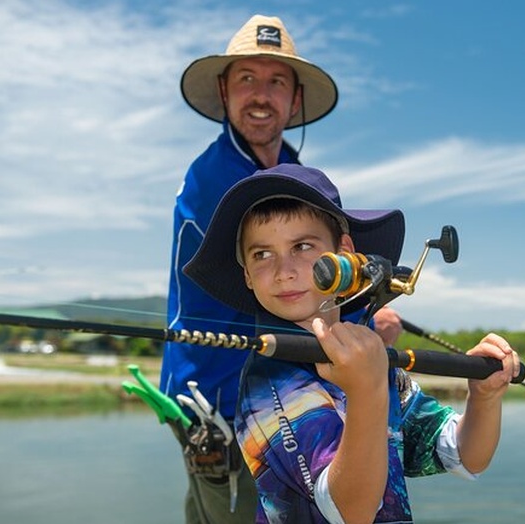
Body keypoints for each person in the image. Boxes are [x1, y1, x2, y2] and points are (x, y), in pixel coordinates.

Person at [160, 14, 401, 523]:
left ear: (296, 101)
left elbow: (314, 268)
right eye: (246, 78)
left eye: (276, 81)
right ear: (224, 91)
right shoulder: (219, 177)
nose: (260, 94)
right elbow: (275, 288)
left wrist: (361, 314)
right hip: (218, 393)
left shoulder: (284, 170)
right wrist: (354, 325)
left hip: (281, 378)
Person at [183, 163, 522, 523]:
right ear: (247, 275)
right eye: (262, 254)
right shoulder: (270, 382)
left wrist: (484, 399)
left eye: (302, 245)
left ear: (344, 251)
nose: (284, 270)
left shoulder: (370, 358)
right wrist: (367, 390)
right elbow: (350, 511)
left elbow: (463, 453)